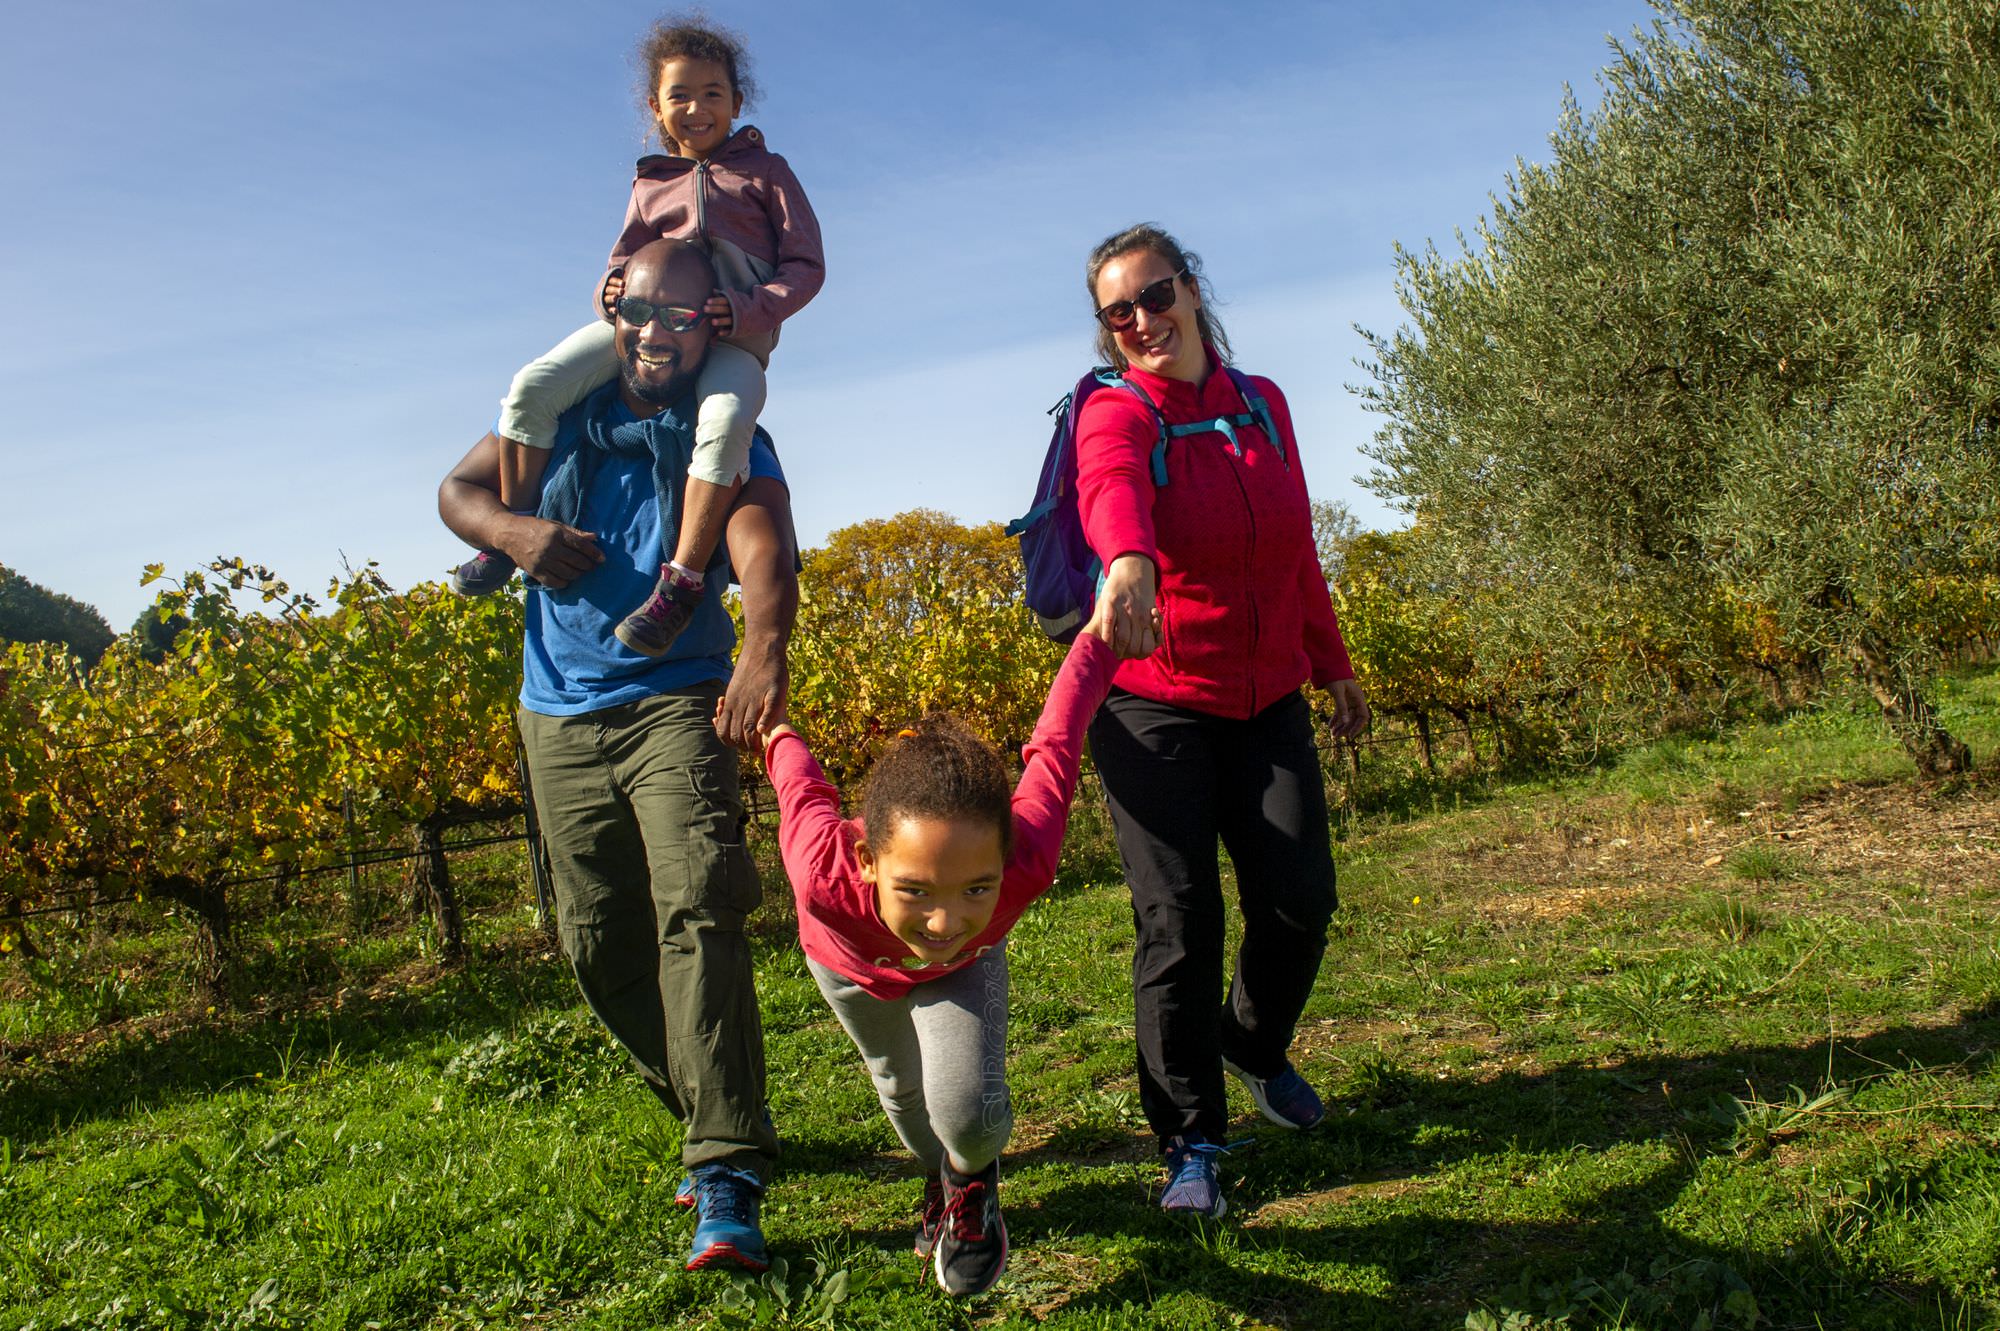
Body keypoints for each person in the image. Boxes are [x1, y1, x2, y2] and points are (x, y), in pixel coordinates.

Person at [437, 238, 795, 1272]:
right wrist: (514, 535)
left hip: (674, 701)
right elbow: (458, 490)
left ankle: (724, 1167)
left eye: (678, 315)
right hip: (554, 711)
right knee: (594, 938)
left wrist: (762, 650)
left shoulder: (721, 433)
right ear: (613, 309)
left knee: (701, 905)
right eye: (637, 311)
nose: (653, 333)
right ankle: (707, 1103)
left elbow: (764, 546)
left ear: (709, 324)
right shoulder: (565, 414)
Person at [1074, 223, 1371, 1218]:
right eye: (1119, 312)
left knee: (1299, 897)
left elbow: (1293, 549)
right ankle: (1190, 1136)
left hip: (1267, 693)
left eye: (1155, 295)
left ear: (1190, 289)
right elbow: (1108, 489)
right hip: (1151, 703)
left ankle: (1249, 1042)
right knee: (1178, 922)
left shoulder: (1262, 406)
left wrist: (1331, 667)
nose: (1143, 321)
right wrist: (1126, 562)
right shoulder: (1113, 409)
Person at [757, 612, 1123, 1295]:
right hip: (851, 968)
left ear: (1004, 858)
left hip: (966, 971)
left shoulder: (1028, 858)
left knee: (967, 1112)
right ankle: (941, 1175)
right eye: (915, 889)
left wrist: (1098, 642)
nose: (943, 919)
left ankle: (971, 1181)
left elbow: (1058, 740)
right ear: (867, 861)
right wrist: (772, 729)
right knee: (900, 1089)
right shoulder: (823, 870)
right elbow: (801, 785)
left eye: (976, 887)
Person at [452, 14, 824, 663]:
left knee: (729, 415)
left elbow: (806, 266)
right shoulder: (650, 180)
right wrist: (610, 295)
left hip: (729, 337)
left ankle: (679, 582)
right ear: (657, 106)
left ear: (737, 103)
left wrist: (746, 308)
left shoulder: (767, 173)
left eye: (713, 93)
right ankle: (511, 528)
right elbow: (619, 264)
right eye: (680, 94)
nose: (697, 107)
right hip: (649, 327)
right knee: (532, 387)